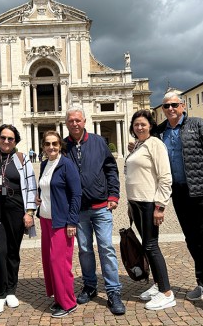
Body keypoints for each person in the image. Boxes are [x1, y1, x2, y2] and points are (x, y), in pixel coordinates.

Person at [159, 92, 203, 318]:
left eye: (174, 105)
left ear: (183, 105)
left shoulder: (199, 125)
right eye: (166, 105)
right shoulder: (160, 131)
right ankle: (201, 281)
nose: (170, 108)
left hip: (200, 192)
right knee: (191, 239)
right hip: (177, 193)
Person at [64, 106, 126, 315]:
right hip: (78, 209)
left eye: (78, 120)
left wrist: (114, 195)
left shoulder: (99, 142)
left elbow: (111, 169)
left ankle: (113, 291)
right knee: (84, 250)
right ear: (66, 123)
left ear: (85, 121)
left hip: (101, 206)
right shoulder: (63, 146)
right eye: (71, 120)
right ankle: (90, 286)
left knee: (106, 248)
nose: (75, 123)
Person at [0, 124, 37, 314]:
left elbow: (31, 186)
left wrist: (29, 212)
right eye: (3, 137)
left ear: (15, 141)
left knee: (13, 251)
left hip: (15, 209)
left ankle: (11, 291)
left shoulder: (22, 159)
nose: (6, 141)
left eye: (10, 139)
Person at [124, 110, 175, 310]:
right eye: (136, 124)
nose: (139, 127)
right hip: (136, 202)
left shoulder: (155, 144)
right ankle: (157, 285)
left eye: (143, 124)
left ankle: (166, 292)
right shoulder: (139, 145)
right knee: (146, 245)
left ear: (151, 125)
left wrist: (160, 206)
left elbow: (165, 176)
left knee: (152, 246)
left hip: (148, 203)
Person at [36, 131, 82, 318]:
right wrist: (39, 197)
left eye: (55, 144)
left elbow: (76, 194)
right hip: (46, 219)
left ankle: (68, 303)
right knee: (49, 262)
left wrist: (72, 221)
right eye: (47, 144)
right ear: (43, 146)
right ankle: (59, 297)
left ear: (60, 145)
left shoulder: (66, 164)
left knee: (60, 263)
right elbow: (46, 187)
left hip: (62, 222)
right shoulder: (45, 164)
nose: (51, 147)